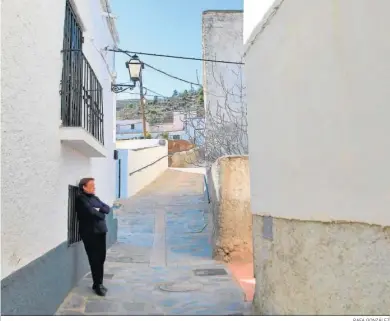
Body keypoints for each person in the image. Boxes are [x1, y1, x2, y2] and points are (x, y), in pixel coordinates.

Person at [76, 177, 111, 296]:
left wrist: (99, 209)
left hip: (101, 231)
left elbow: (107, 209)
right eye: (91, 186)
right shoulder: (81, 199)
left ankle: (98, 283)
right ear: (84, 187)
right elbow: (91, 213)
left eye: (94, 185)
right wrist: (100, 212)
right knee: (94, 259)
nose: (94, 188)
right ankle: (98, 285)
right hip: (90, 233)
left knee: (101, 258)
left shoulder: (95, 198)